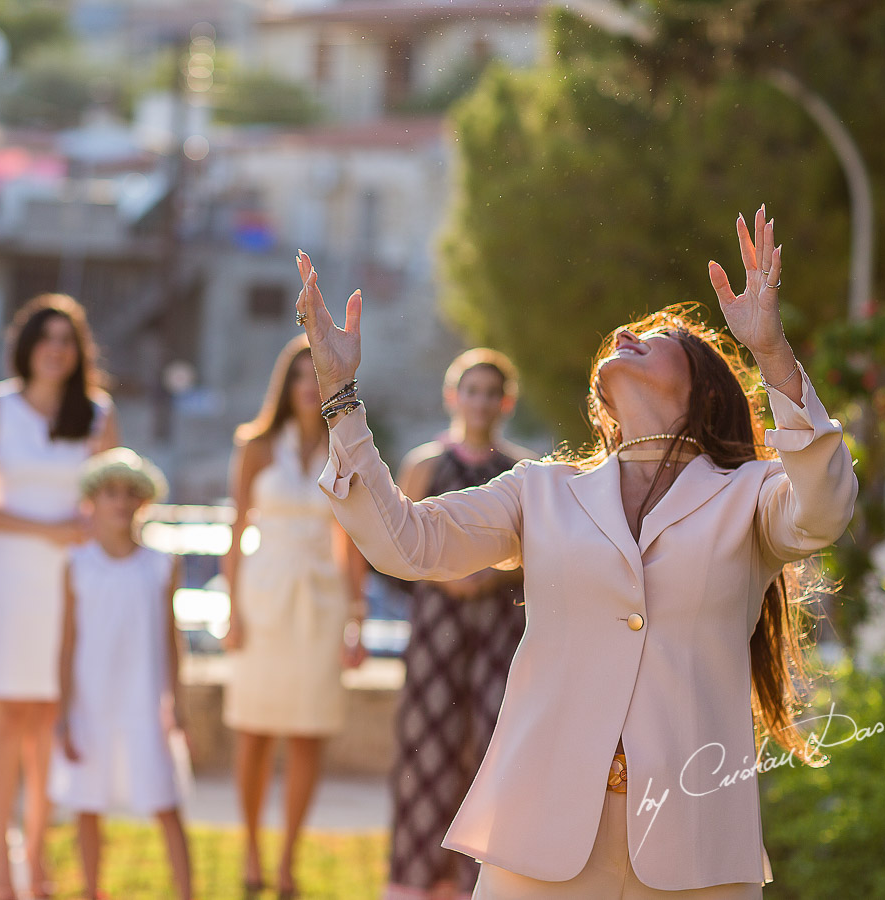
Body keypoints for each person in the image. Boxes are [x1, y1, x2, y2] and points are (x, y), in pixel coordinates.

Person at [294, 206, 857, 898]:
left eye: (655, 335)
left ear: (703, 385)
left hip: (697, 851)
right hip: (537, 844)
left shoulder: (752, 494)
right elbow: (404, 542)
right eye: (626, 334)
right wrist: (339, 397)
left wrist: (772, 353)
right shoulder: (542, 492)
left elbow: (826, 508)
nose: (625, 332)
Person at [0, 294, 120, 900]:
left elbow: (115, 500)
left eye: (67, 338)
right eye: (46, 337)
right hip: (8, 576)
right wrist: (43, 528)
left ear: (79, 351)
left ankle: (38, 850)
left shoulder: (99, 415)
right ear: (27, 345)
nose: (56, 348)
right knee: (7, 714)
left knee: (51, 715)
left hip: (73, 583)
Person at [221, 334, 368, 896]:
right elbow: (236, 531)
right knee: (253, 731)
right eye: (300, 376)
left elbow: (352, 542)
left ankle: (288, 861)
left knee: (308, 734)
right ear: (286, 385)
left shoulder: (346, 450)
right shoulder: (256, 446)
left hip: (322, 604)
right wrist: (231, 612)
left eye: (319, 377)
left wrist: (355, 621)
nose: (309, 387)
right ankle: (252, 852)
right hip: (263, 599)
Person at [387, 349, 537, 900]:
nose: (480, 401)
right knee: (427, 745)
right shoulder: (425, 464)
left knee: (493, 744)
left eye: (490, 391)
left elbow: (532, 555)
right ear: (454, 397)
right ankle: (414, 881)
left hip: (501, 627)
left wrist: (489, 577)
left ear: (506, 401)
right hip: (436, 624)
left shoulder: (521, 470)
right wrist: (449, 578)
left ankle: (484, 882)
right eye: (469, 390)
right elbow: (400, 548)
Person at [50, 448, 194, 900]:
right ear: (92, 499)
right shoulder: (76, 564)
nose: (119, 501)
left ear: (143, 502)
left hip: (143, 701)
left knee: (165, 802)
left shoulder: (161, 564)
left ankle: (186, 891)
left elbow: (172, 639)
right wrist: (63, 712)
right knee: (88, 804)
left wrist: (177, 701)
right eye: (110, 492)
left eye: (129, 493)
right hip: (92, 703)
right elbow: (68, 643)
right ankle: (93, 888)